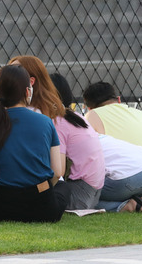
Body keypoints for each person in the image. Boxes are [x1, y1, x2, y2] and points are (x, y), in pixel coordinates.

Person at [0, 65, 69, 222]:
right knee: (64, 187)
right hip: (43, 207)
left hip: (3, 207)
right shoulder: (46, 122)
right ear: (27, 92)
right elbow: (57, 172)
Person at [83, 82, 142, 205]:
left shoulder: (92, 116)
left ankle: (126, 205)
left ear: (89, 107)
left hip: (136, 187)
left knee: (83, 195)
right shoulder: (140, 114)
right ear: (118, 99)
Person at [48, 73, 105, 210]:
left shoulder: (58, 122)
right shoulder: (76, 116)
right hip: (94, 189)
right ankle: (123, 205)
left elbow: (58, 172)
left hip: (80, 189)